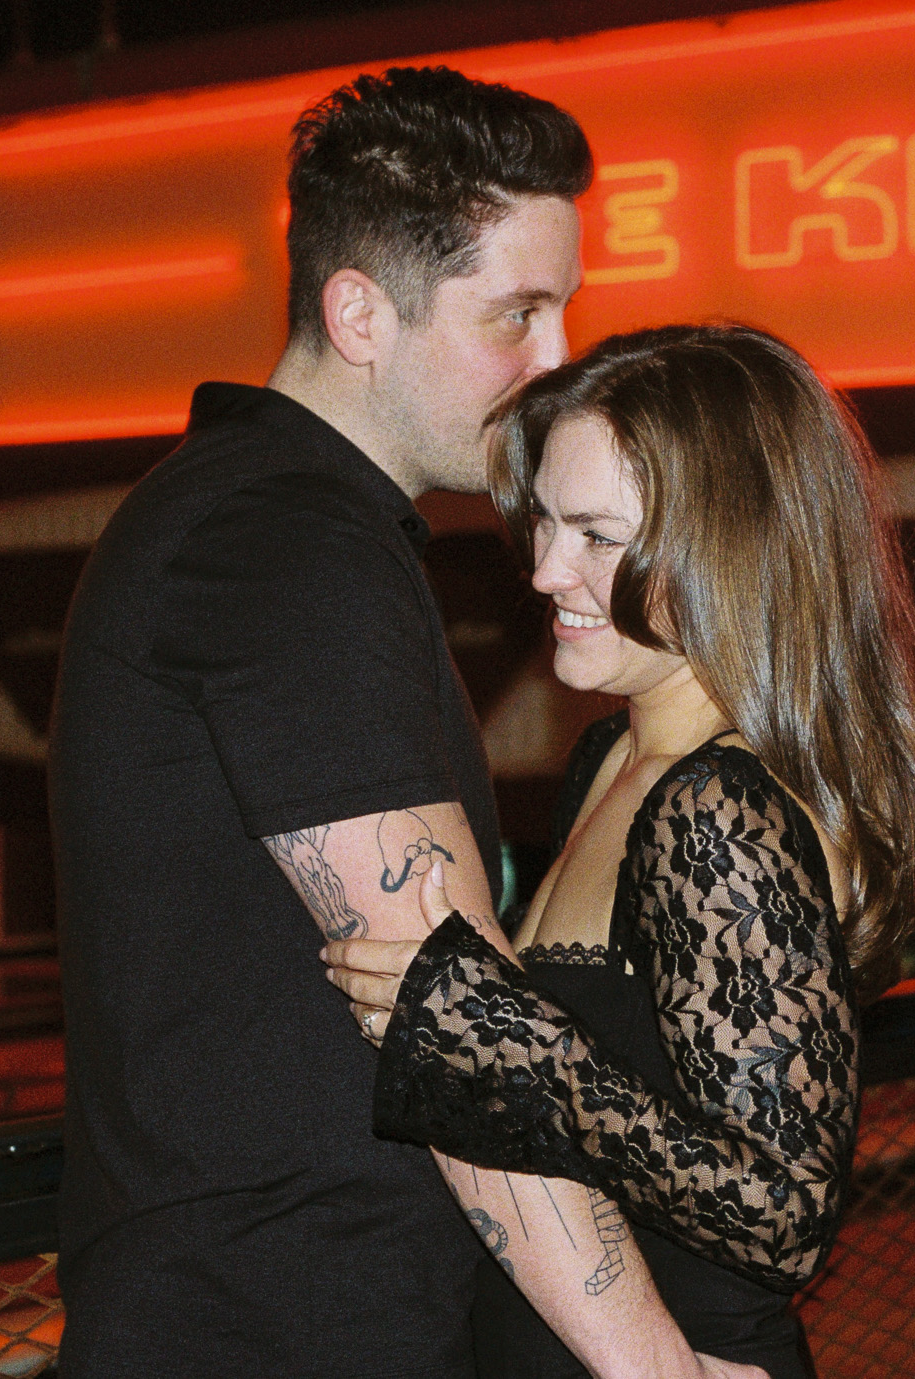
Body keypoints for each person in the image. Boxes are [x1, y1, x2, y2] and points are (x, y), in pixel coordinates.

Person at [50, 68, 751, 1379]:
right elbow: (453, 1019)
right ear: (360, 310)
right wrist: (657, 1364)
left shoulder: (270, 522)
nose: (558, 365)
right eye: (518, 316)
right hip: (269, 1328)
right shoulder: (285, 543)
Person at [322, 324, 915, 1378]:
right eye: (542, 522)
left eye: (596, 535)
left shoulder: (718, 809)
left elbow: (780, 1212)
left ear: (730, 550)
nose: (542, 569)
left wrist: (504, 1035)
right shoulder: (615, 755)